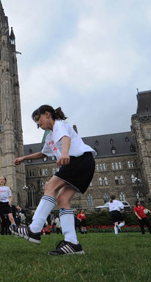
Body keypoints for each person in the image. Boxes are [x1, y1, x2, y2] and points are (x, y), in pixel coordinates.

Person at [14, 105, 96, 255]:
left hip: (77, 159)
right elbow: (43, 153)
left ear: (47, 114)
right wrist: (24, 158)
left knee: (49, 187)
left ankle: (34, 229)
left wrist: (64, 153)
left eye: (38, 120)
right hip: (85, 162)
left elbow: (66, 138)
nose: (38, 125)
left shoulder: (59, 125)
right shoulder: (50, 136)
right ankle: (73, 243)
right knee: (62, 198)